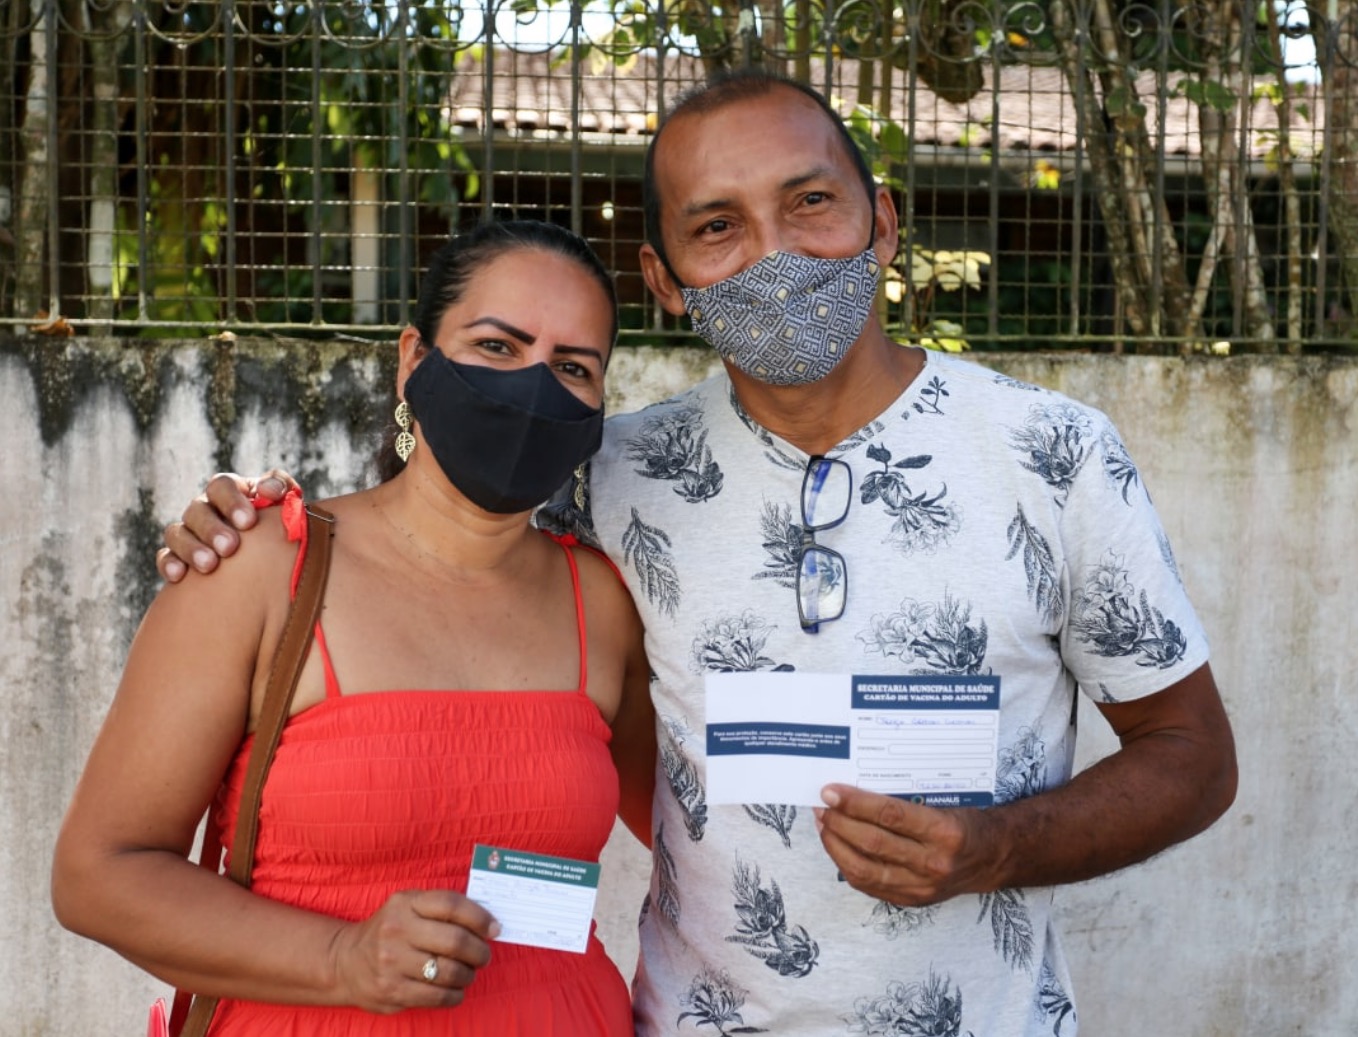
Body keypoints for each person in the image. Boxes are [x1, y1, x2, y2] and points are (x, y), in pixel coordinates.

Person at [156, 72, 1238, 1037]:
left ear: (885, 222)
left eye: (810, 201)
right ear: (667, 278)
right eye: (717, 226)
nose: (772, 253)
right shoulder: (609, 473)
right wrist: (247, 517)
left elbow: (1190, 750)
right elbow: (445, 536)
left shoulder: (1051, 455)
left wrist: (999, 846)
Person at [53, 220, 657, 1036]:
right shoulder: (263, 566)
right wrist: (343, 957)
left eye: (572, 367)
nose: (533, 388)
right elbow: (98, 874)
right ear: (414, 360)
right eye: (497, 346)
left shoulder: (607, 602)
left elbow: (697, 828)